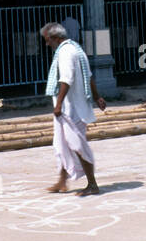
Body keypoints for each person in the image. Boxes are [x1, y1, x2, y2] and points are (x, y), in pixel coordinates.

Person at [40, 22, 107, 196]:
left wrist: (59, 103)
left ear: (55, 38)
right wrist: (97, 96)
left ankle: (92, 184)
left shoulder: (65, 52)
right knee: (62, 144)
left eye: (48, 40)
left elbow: (66, 79)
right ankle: (62, 182)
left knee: (77, 145)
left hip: (71, 109)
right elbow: (89, 76)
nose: (47, 44)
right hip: (73, 107)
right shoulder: (77, 49)